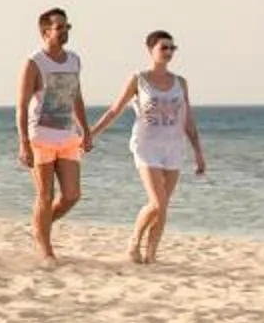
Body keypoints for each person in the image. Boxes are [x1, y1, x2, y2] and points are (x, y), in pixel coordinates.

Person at [87, 29, 206, 263]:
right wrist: (91, 134)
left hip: (173, 147)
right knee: (157, 202)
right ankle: (134, 242)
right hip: (146, 147)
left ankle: (151, 255)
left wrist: (198, 153)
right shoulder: (139, 79)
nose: (169, 52)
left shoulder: (180, 83)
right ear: (150, 50)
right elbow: (114, 110)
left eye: (173, 48)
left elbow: (187, 119)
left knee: (163, 207)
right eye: (164, 47)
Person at [16, 7, 94, 264]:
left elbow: (77, 96)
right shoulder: (34, 63)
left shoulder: (74, 60)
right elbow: (21, 104)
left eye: (66, 27)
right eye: (59, 27)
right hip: (40, 136)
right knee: (45, 195)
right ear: (45, 31)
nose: (64, 31)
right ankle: (46, 250)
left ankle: (40, 227)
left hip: (67, 135)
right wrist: (23, 144)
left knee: (72, 195)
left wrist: (86, 129)